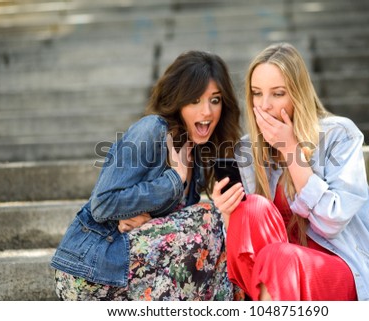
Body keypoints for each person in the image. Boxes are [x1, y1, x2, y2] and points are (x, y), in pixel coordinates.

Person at [212, 43, 369, 301]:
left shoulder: (339, 135)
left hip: (337, 269)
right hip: (276, 281)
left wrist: (291, 150)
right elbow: (245, 252)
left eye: (278, 93)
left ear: (297, 94)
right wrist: (228, 213)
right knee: (251, 210)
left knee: (278, 257)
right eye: (257, 93)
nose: (265, 105)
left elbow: (331, 222)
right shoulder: (247, 150)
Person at [50, 50, 245, 301]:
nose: (206, 112)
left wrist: (147, 223)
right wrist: (174, 180)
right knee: (208, 216)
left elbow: (173, 236)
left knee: (222, 260)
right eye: (195, 100)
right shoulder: (152, 129)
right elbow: (102, 203)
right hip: (91, 268)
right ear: (178, 100)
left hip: (135, 270)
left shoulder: (197, 155)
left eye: (215, 100)